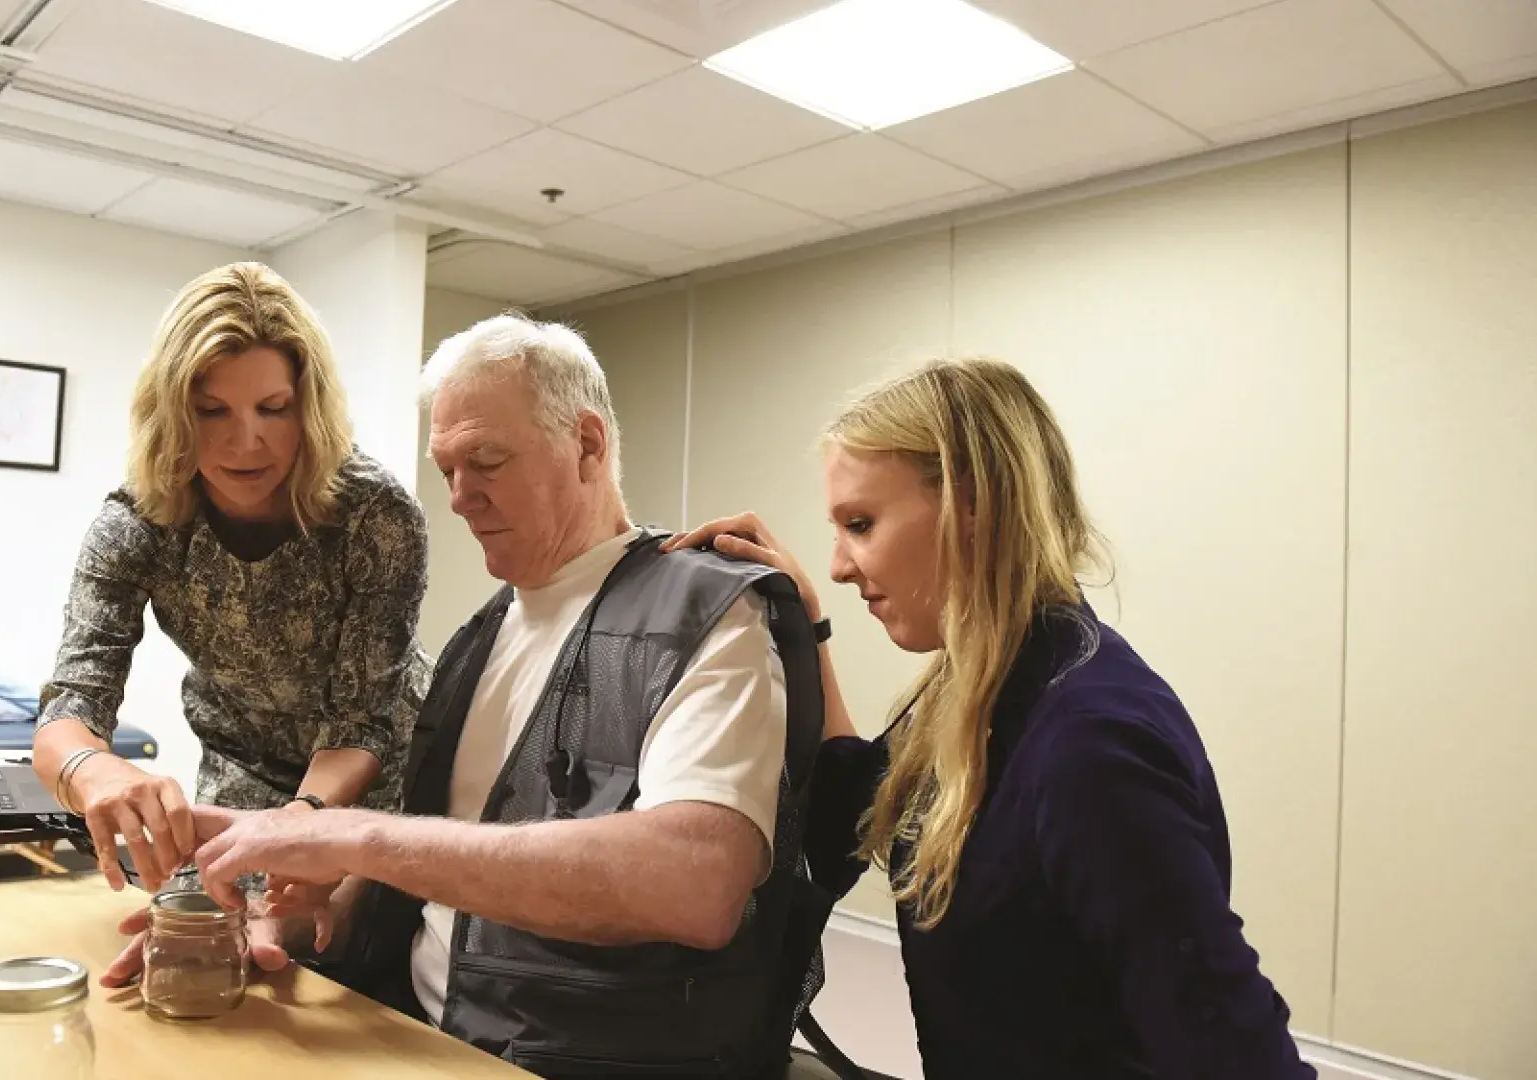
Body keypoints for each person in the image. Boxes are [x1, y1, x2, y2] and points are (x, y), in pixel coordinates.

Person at [186, 314, 831, 1078]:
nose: (460, 498)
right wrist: (309, 910)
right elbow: (451, 873)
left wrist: (355, 837)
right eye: (447, 468)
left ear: (588, 444)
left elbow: (696, 883)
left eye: (487, 461)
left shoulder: (708, 611)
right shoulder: (478, 638)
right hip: (409, 1033)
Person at [663, 357, 1315, 1079]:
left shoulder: (1088, 743)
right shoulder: (980, 692)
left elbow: (1237, 1052)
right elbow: (856, 808)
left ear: (973, 505)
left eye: (861, 524)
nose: (842, 566)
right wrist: (804, 622)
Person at [30, 261, 430, 982]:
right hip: (243, 766)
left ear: (306, 405)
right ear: (174, 411)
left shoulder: (375, 515)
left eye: (273, 409)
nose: (247, 441)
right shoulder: (136, 524)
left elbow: (362, 725)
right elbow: (68, 712)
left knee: (349, 969)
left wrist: (303, 826)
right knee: (206, 952)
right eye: (214, 412)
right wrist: (96, 772)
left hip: (380, 780)